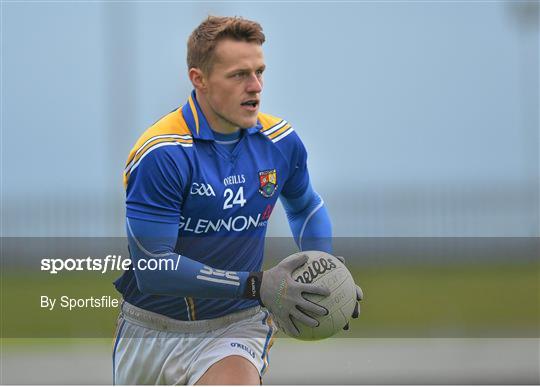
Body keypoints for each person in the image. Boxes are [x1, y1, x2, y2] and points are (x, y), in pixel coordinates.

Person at [112, 15, 363, 385]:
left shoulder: (281, 142)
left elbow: (306, 205)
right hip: (149, 330)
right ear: (199, 79)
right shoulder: (162, 153)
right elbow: (152, 268)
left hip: (236, 326)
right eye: (239, 75)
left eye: (260, 71)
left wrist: (325, 270)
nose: (256, 86)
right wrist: (255, 283)